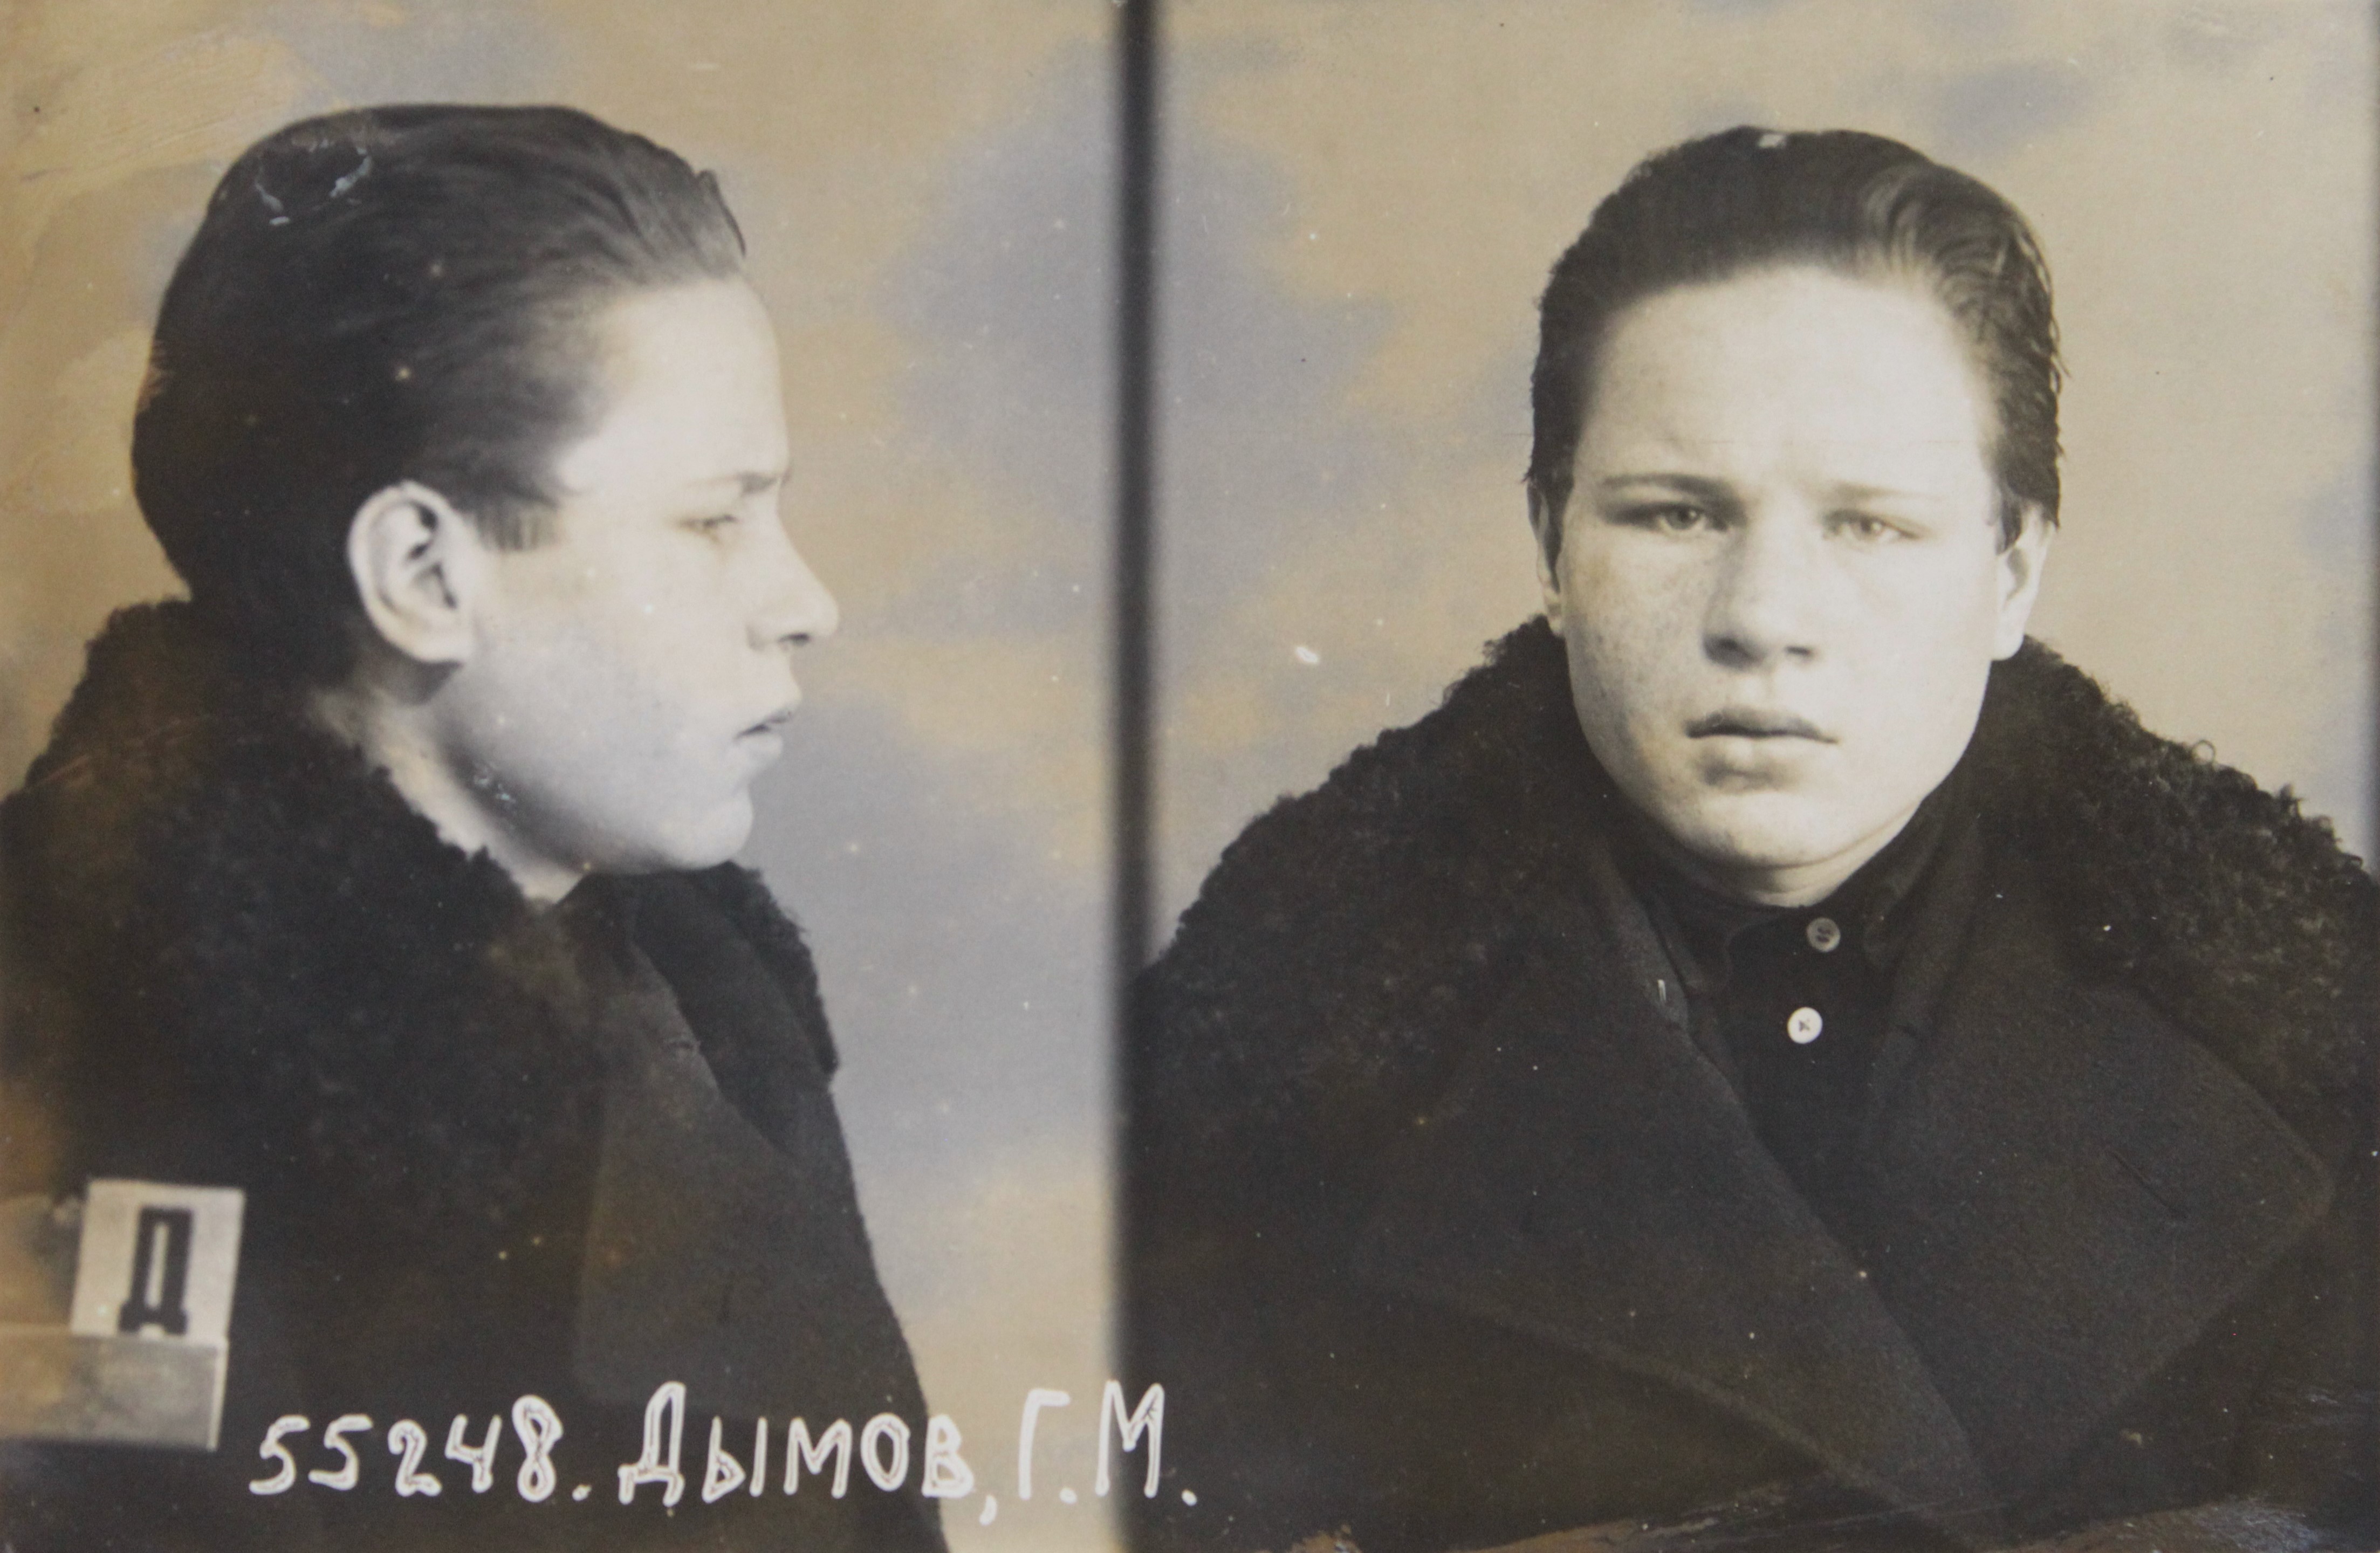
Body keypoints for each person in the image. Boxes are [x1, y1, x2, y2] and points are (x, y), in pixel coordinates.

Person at [1126, 128, 2375, 1553]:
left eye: (1872, 527)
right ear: (1551, 544)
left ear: (2014, 569)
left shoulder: (2317, 1044)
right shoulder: (1256, 1076)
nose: (1765, 616)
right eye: (1677, 514)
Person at [0, 106, 944, 1551]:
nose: (804, 600)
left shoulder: (706, 993)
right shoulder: (84, 1052)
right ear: (426, 574)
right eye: (714, 521)